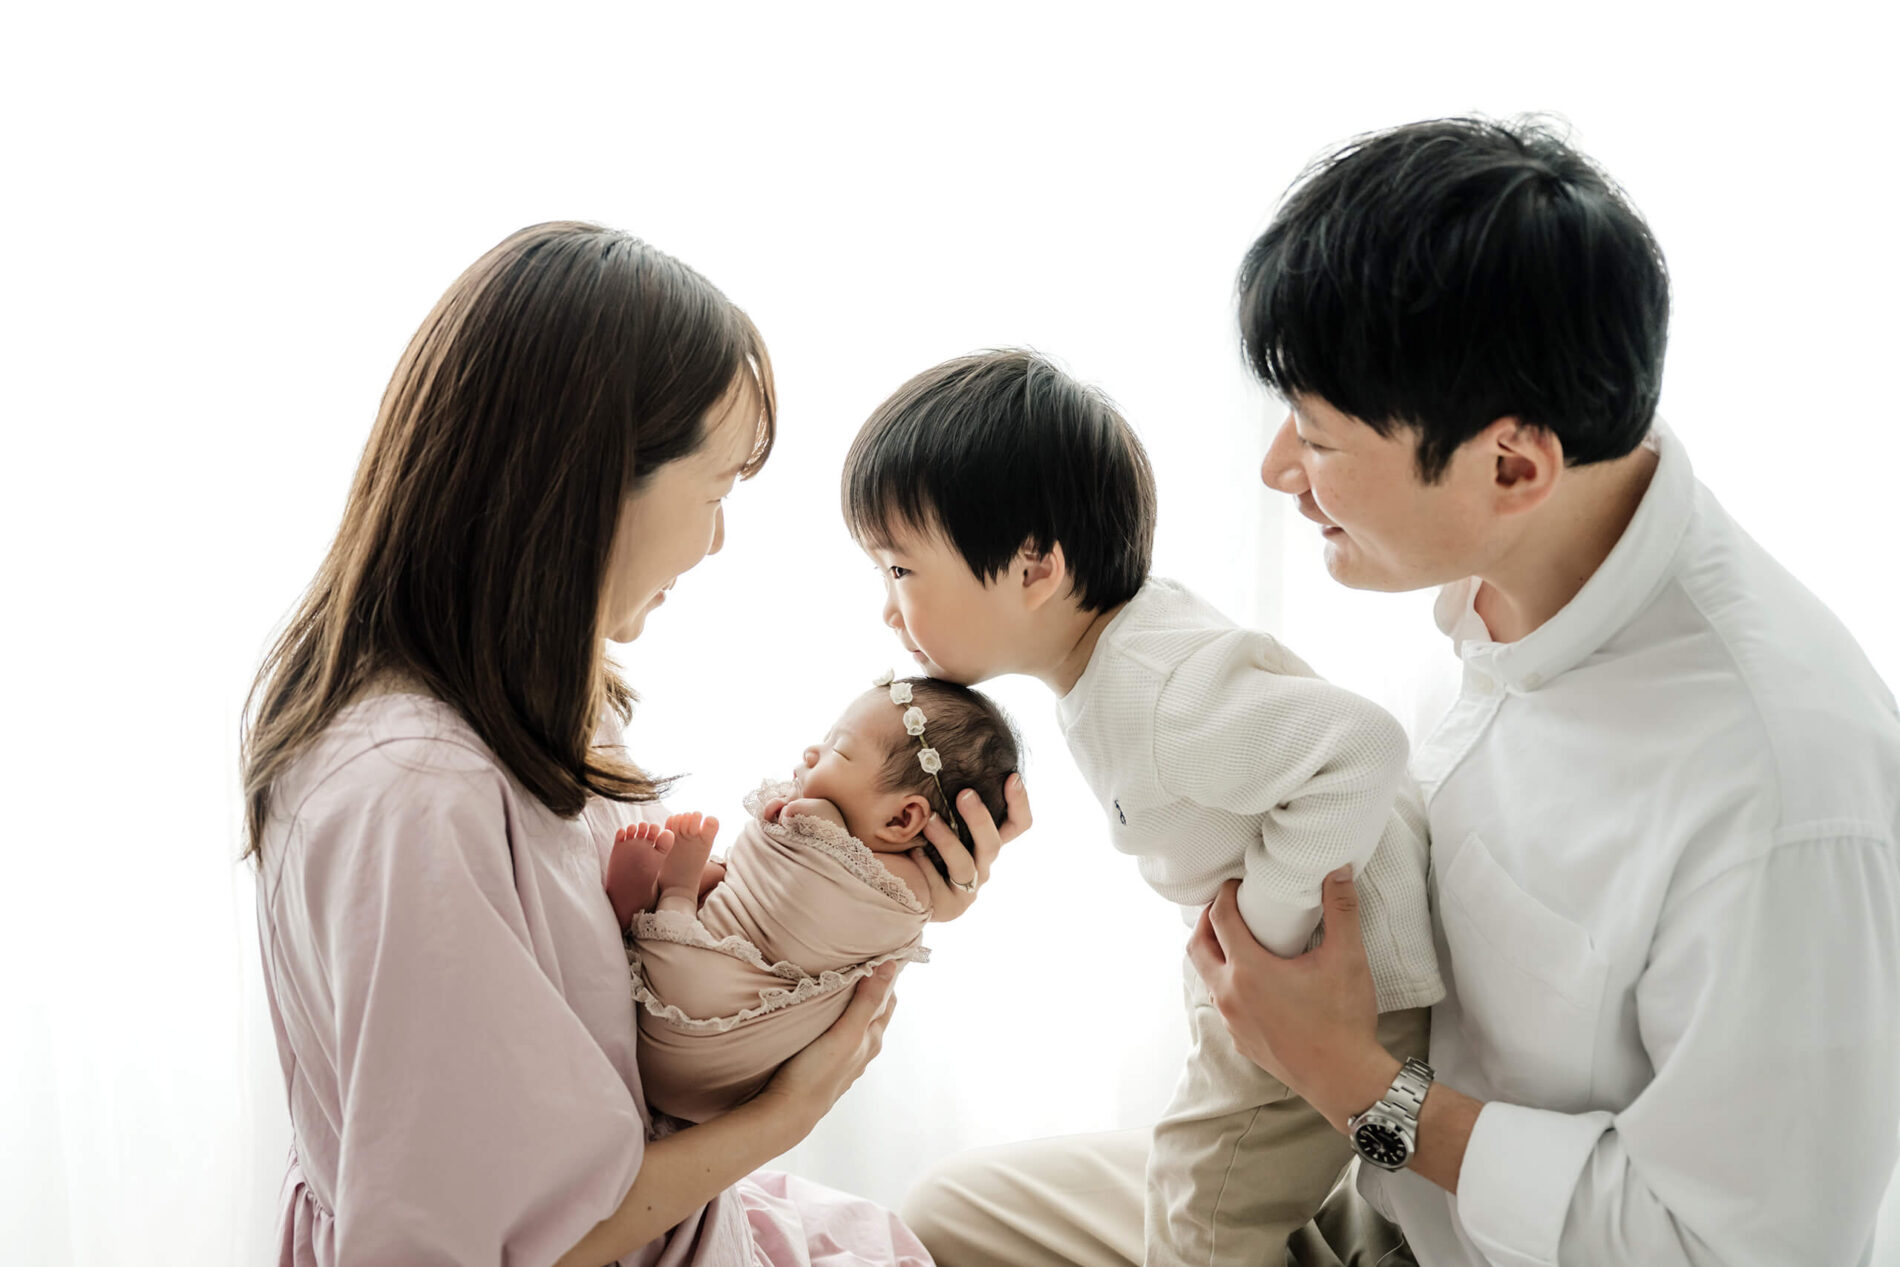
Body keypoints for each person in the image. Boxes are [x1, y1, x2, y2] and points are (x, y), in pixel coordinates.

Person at [901, 117, 1900, 1266]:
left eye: (1318, 440)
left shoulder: (1774, 783)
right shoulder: (1505, 549)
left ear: (1511, 464)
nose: (1277, 471)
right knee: (947, 1215)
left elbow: (1742, 1251)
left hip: (1453, 1207)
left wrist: (1357, 1085)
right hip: (1370, 1190)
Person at [241, 221, 1027, 1267]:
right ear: (591, 481)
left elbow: (630, 1025)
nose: (715, 541)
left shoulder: (544, 702)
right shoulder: (415, 796)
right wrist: (786, 1113)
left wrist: (879, 901)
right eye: (716, 491)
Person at [842, 348, 1444, 1264]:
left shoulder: (1161, 689)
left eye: (899, 570)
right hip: (1306, 988)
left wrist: (1267, 935)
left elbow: (1360, 746)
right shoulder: (1112, 657)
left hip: (1330, 990)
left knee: (1200, 1211)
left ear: (1035, 564)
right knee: (1196, 1180)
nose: (888, 608)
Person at [615, 676, 1020, 1124]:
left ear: (903, 817)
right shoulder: (921, 898)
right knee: (734, 886)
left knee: (724, 890)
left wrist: (799, 810)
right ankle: (675, 896)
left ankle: (670, 894)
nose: (812, 752)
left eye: (839, 751)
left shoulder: (843, 851)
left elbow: (796, 820)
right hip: (725, 1087)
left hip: (698, 995)